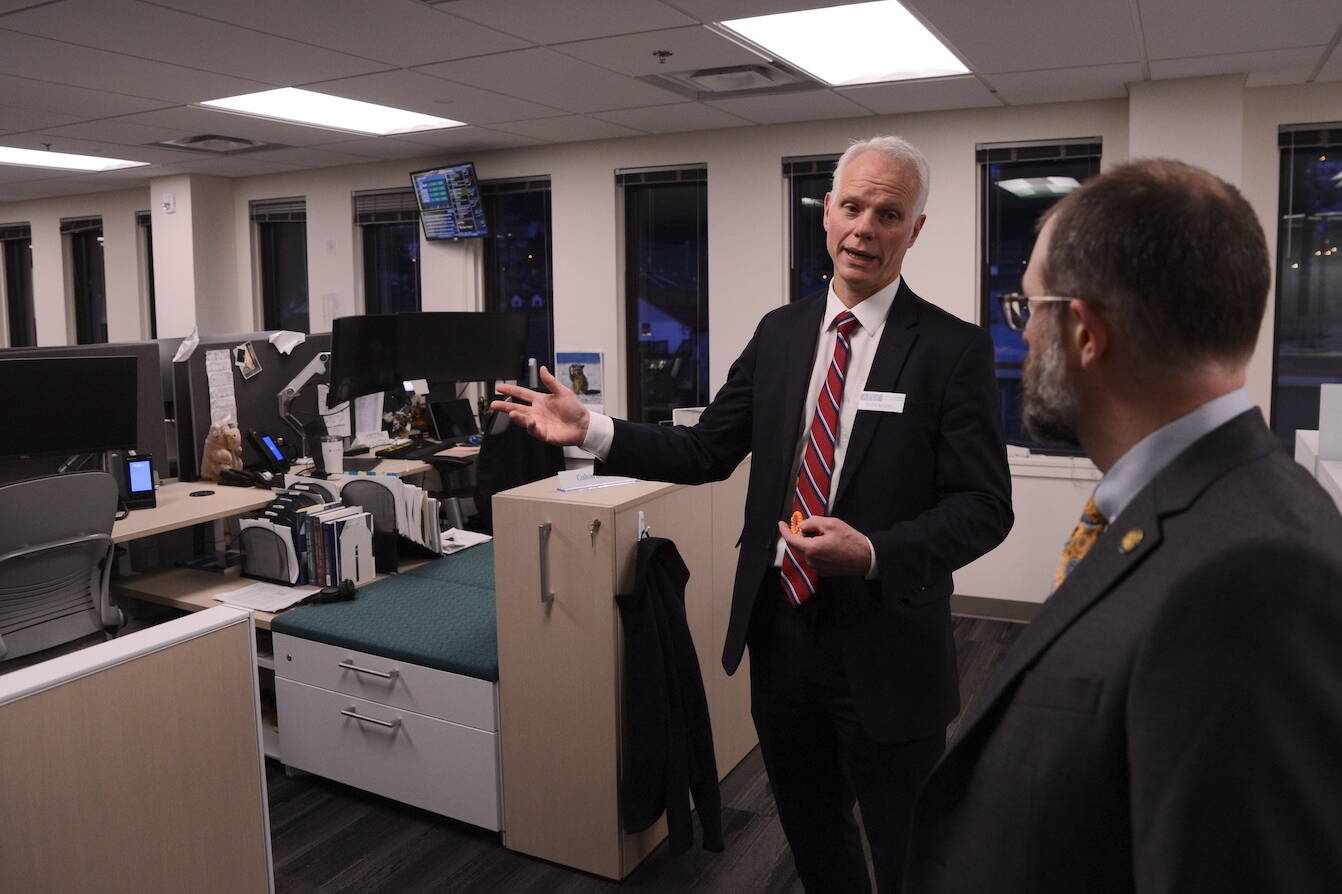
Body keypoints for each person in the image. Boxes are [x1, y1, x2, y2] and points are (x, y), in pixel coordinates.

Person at [493, 135, 1013, 893]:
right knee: (812, 828)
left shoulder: (951, 350)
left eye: (890, 214)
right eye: (854, 207)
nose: (866, 228)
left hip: (887, 640)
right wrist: (595, 431)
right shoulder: (781, 333)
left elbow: (984, 509)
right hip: (782, 633)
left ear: (916, 230)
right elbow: (706, 451)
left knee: (908, 846)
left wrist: (872, 550)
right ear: (827, 214)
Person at [904, 159, 1342, 893]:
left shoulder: (1255, 580)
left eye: (1028, 309)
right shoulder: (1190, 509)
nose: (1023, 339)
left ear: (1084, 332)